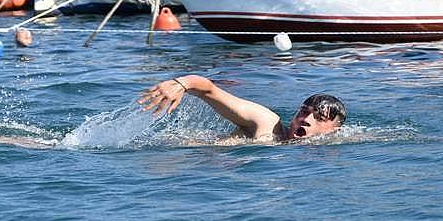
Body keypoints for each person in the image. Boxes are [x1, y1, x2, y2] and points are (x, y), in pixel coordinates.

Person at [138, 75, 346, 142]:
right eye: (303, 111)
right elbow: (209, 89)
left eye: (318, 117)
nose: (306, 119)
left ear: (334, 130)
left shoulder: (345, 143)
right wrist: (180, 83)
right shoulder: (268, 124)